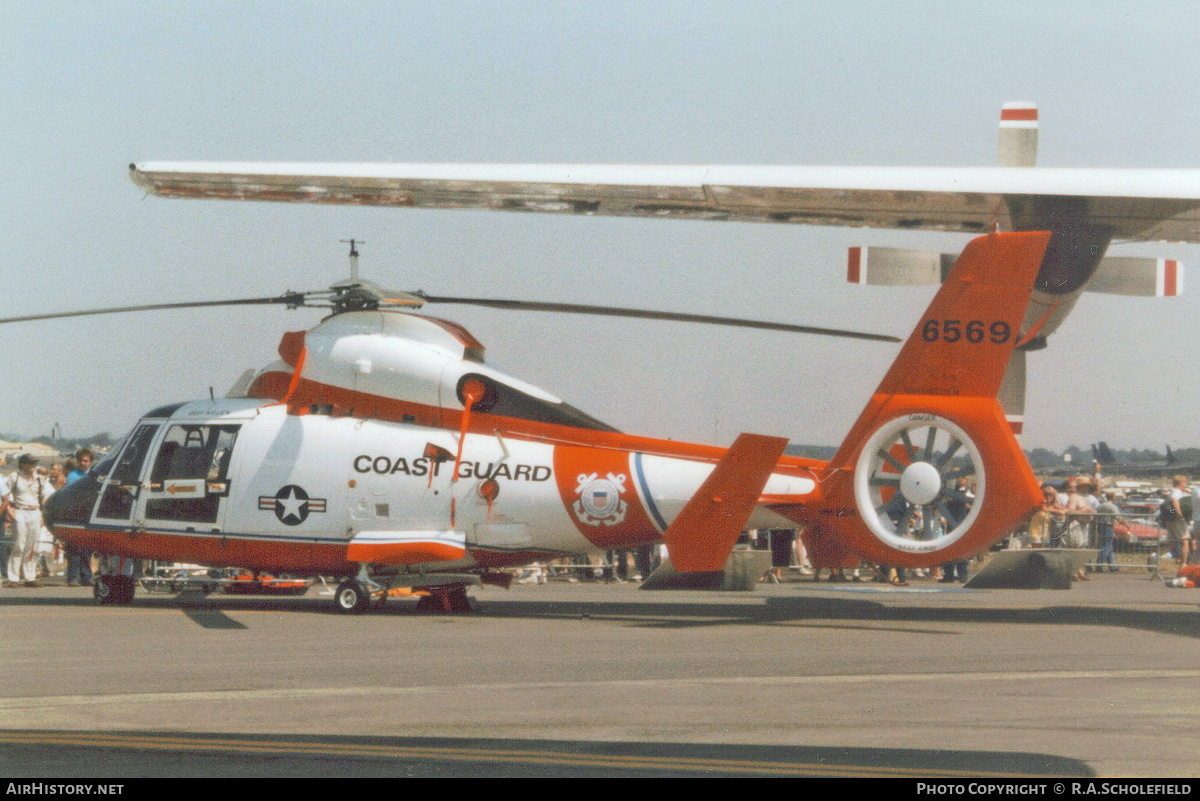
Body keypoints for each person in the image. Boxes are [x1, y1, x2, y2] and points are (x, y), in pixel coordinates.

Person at [2, 454, 54, 587]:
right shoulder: (15, 477)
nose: (32, 466)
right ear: (22, 464)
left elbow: (46, 496)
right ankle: (14, 577)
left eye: (34, 463)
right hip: (20, 511)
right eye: (30, 463)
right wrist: (10, 511)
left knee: (32, 546)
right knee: (19, 544)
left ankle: (30, 577)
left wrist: (42, 514)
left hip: (35, 512)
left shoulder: (39, 479)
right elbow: (5, 495)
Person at [64, 448, 94, 586]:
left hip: (89, 515)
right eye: (81, 460)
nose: (83, 463)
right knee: (74, 549)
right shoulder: (72, 476)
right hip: (75, 514)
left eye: (86, 461)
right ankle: (73, 577)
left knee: (87, 549)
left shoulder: (94, 475)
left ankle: (86, 577)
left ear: (90, 462)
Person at [1094, 490, 1123, 573]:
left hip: (1100, 526)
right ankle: (1099, 565)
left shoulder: (1100, 506)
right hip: (1108, 527)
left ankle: (1113, 567)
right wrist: (1126, 524)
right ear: (1113, 497)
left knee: (1108, 547)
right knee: (1106, 547)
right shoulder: (1112, 506)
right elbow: (1119, 518)